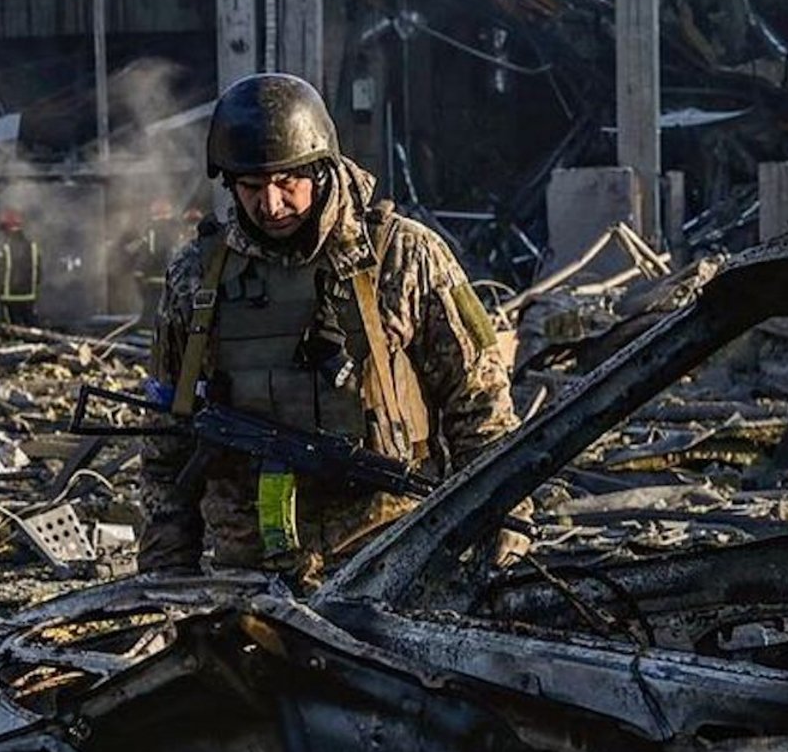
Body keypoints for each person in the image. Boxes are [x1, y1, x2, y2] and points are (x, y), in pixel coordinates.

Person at [137, 72, 520, 588]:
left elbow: (480, 405)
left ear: (321, 169)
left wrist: (502, 530)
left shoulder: (404, 256)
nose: (271, 205)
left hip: (390, 556)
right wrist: (167, 572)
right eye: (251, 187)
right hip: (249, 569)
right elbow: (168, 440)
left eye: (286, 183)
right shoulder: (197, 278)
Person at [0, 208, 41, 326]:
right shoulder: (33, 247)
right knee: (29, 328)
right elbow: (38, 272)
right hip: (29, 298)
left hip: (9, 299)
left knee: (12, 329)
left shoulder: (4, 248)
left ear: (7, 229)